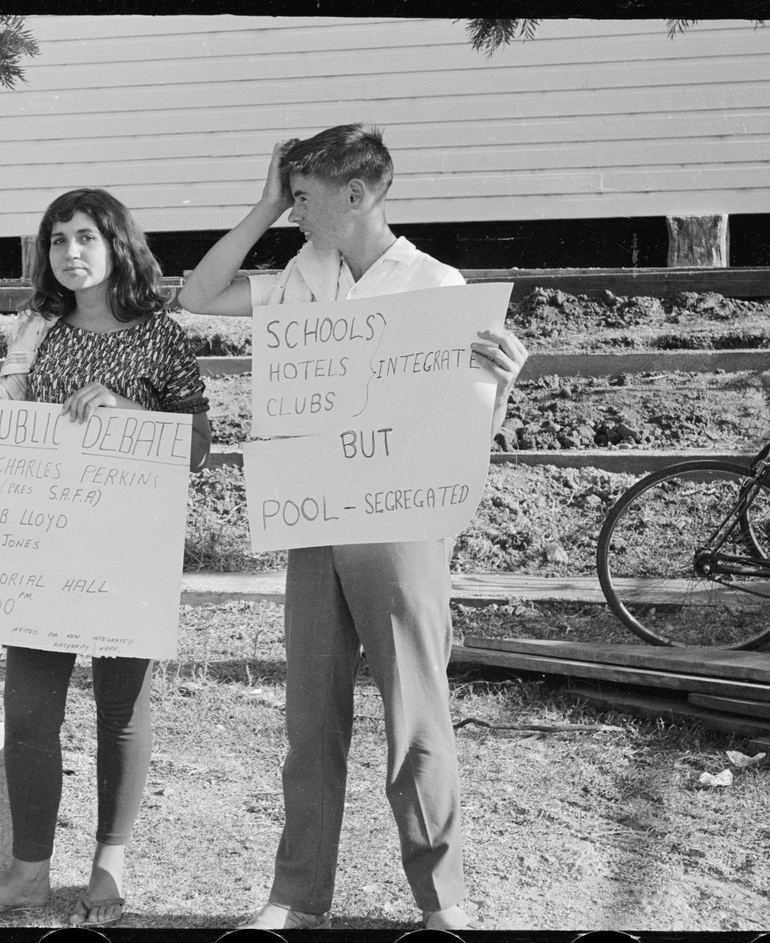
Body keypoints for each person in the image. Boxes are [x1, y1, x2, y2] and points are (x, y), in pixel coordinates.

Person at [177, 124, 529, 932]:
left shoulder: (438, 285)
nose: (296, 211)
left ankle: (445, 901)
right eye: (290, 197)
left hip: (401, 520)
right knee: (311, 716)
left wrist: (504, 381)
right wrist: (266, 204)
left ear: (358, 195)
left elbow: (470, 417)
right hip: (315, 513)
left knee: (414, 713)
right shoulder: (306, 273)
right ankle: (297, 894)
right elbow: (198, 297)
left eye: (304, 197)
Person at [0, 188, 212, 928]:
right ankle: (29, 872)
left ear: (116, 244)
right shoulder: (37, 330)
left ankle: (108, 868)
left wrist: (131, 413)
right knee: (29, 714)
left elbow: (198, 444)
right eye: (56, 241)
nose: (70, 253)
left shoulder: (160, 337)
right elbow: (16, 428)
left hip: (125, 552)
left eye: (85, 237)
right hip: (42, 552)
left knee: (121, 714)